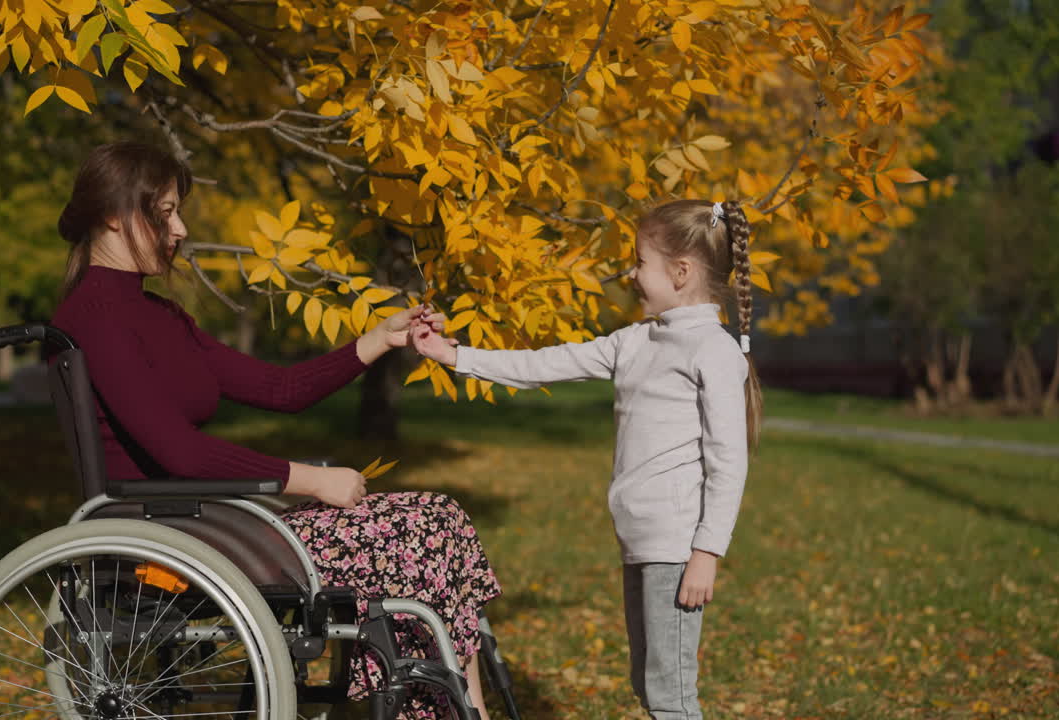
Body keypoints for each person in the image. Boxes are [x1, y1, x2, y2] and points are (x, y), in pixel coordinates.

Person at [49, 141, 500, 719]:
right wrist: (310, 481)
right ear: (113, 214)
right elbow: (178, 452)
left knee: (440, 520)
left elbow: (279, 390)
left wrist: (376, 341)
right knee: (421, 531)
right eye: (165, 213)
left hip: (203, 523)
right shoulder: (98, 317)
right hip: (167, 537)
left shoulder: (157, 315)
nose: (181, 228)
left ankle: (464, 709)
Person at [412, 198, 763, 719]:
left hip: (677, 547)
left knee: (672, 696)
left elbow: (728, 461)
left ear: (681, 272)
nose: (632, 272)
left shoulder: (711, 350)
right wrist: (455, 356)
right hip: (640, 542)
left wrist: (706, 553)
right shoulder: (636, 341)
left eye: (641, 262)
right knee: (649, 685)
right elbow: (543, 364)